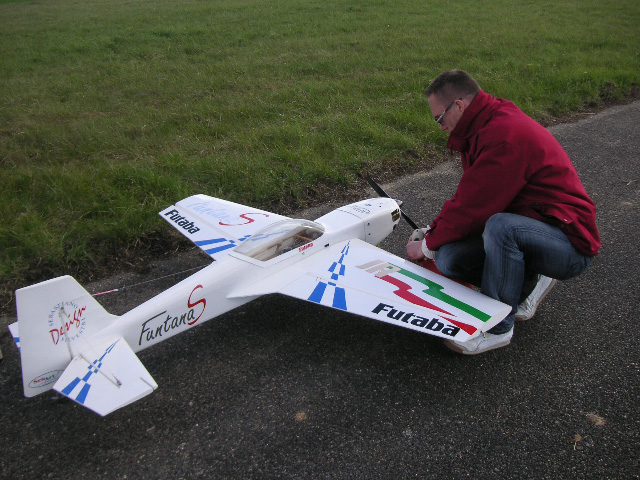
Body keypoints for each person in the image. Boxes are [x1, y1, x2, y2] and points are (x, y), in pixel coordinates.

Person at [406, 70, 600, 355]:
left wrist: (425, 246)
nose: (441, 127)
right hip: (532, 224)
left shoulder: (504, 136)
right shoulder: (482, 127)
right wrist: (433, 234)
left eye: (439, 118)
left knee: (501, 227)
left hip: (568, 242)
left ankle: (498, 327)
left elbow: (473, 208)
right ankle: (528, 283)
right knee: (449, 258)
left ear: (458, 105)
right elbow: (470, 195)